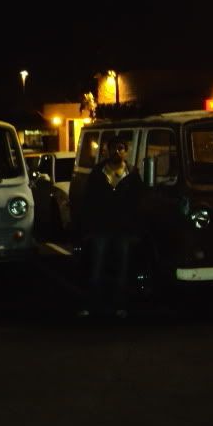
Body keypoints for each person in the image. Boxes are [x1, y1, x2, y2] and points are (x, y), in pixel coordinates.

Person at [79, 134, 144, 318]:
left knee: (122, 270)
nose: (117, 152)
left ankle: (120, 306)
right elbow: (89, 202)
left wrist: (135, 230)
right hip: (101, 227)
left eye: (121, 148)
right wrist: (87, 229)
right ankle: (92, 305)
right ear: (107, 150)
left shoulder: (132, 174)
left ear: (126, 151)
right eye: (114, 148)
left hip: (123, 229)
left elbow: (138, 203)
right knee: (96, 268)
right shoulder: (98, 173)